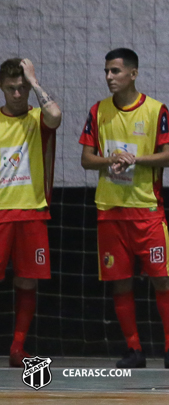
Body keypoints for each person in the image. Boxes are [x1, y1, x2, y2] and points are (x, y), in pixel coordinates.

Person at [79, 48, 169, 369]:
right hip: (110, 211)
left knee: (162, 278)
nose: (110, 77)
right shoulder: (98, 111)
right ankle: (133, 350)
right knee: (120, 282)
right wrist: (110, 159)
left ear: (133, 74)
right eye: (107, 72)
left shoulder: (156, 110)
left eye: (115, 71)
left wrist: (136, 159)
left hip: (147, 211)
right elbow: (86, 160)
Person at [0, 58, 61, 367]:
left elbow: (56, 114)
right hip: (0, 214)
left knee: (28, 281)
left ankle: (17, 348)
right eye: (11, 88)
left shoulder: (38, 119)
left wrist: (35, 82)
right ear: (2, 88)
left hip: (32, 213)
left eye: (22, 88)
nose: (17, 94)